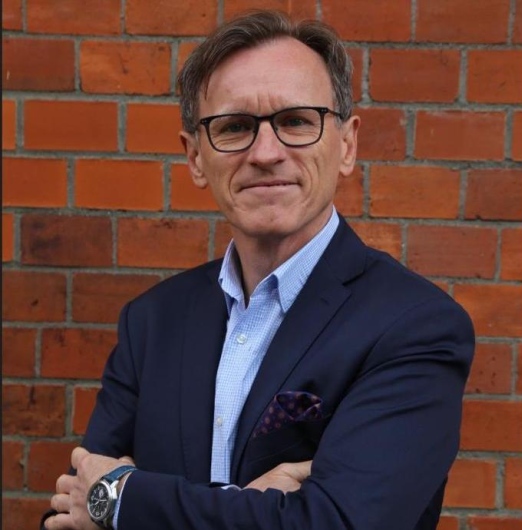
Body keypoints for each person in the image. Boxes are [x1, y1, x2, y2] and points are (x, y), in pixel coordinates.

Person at [42, 9, 475, 530]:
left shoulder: (416, 326)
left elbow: (337, 524)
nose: (266, 153)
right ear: (195, 157)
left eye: (296, 121)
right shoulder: (152, 322)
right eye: (235, 127)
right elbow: (67, 514)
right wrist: (260, 509)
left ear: (347, 145)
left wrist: (122, 500)